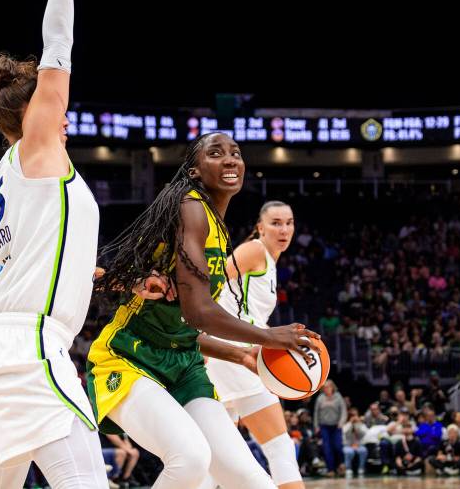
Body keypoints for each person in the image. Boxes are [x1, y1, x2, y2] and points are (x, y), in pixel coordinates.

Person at [0, 0, 109, 489]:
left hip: (0, 346)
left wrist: (87, 271)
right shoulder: (36, 146)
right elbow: (58, 49)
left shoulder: (10, 171)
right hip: (30, 348)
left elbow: (35, 255)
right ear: (32, 116)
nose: (65, 115)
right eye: (55, 109)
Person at [89, 132, 318, 489]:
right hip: (130, 358)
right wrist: (271, 336)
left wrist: (241, 355)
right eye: (216, 153)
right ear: (195, 171)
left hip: (184, 364)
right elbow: (197, 310)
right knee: (191, 459)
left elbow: (185, 324)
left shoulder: (216, 225)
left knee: (253, 481)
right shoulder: (190, 206)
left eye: (236, 153)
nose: (230, 160)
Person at [199, 200, 303, 489]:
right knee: (280, 446)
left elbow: (248, 312)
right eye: (276, 223)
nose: (284, 229)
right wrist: (199, 333)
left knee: (217, 458)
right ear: (260, 227)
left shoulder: (271, 261)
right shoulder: (255, 250)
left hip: (229, 353)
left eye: (289, 222)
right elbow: (209, 285)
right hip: (236, 353)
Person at [313, 380, 347, 476]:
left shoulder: (338, 397)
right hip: (324, 426)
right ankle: (330, 469)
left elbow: (343, 411)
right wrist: (316, 426)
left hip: (336, 426)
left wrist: (341, 422)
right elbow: (316, 413)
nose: (327, 389)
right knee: (327, 448)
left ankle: (341, 464)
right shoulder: (320, 399)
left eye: (329, 387)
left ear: (332, 387)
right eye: (325, 387)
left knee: (338, 446)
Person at [341, 407, 368, 478]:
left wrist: (358, 424)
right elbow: (344, 432)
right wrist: (350, 423)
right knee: (349, 452)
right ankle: (348, 468)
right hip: (348, 445)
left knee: (363, 450)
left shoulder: (360, 423)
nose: (354, 417)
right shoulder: (346, 424)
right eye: (352, 415)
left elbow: (365, 433)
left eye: (355, 415)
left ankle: (361, 468)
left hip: (359, 445)